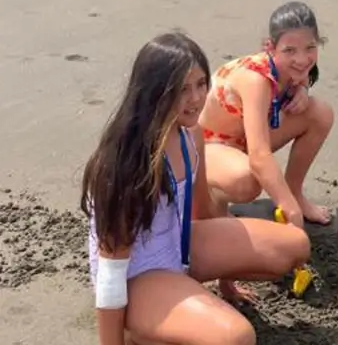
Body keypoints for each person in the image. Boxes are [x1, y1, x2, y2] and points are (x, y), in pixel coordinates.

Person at [80, 32, 311, 345]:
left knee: (295, 246)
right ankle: (139, 329)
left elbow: (203, 212)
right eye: (182, 89)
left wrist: (226, 282)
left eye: (201, 84)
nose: (196, 98)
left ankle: (172, 314)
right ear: (154, 93)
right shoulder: (127, 163)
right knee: (237, 337)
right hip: (137, 275)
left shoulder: (191, 134)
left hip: (180, 246)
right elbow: (110, 275)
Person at [199, 2, 334, 255]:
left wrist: (303, 90)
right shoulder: (255, 80)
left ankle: (295, 191)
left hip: (245, 137)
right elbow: (260, 156)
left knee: (320, 113)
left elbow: (303, 73)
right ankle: (209, 202)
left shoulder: (297, 67)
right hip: (209, 145)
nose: (302, 59)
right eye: (290, 50)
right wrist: (289, 210)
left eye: (310, 48)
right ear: (269, 48)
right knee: (248, 180)